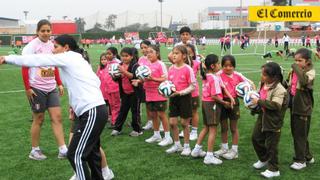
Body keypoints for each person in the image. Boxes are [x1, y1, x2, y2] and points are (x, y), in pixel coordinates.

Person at [1, 34, 108, 180]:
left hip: (92, 111)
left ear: (66, 47)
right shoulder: (78, 59)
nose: (53, 50)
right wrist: (76, 106)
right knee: (91, 153)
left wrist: (7, 58)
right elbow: (95, 82)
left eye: (56, 47)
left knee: (75, 154)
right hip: (94, 110)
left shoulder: (68, 56)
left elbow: (38, 59)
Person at [21, 19, 67, 160]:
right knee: (39, 119)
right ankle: (34, 150)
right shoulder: (31, 46)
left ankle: (63, 149)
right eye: (43, 31)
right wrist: (28, 88)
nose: (46, 33)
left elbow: (54, 65)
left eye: (48, 30)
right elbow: (24, 66)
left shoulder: (53, 46)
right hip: (37, 88)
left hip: (51, 87)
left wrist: (59, 83)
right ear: (37, 31)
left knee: (57, 117)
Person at [251, 62, 288, 178]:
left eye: (264, 75)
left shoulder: (280, 89)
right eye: (262, 74)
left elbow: (276, 105)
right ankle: (264, 159)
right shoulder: (263, 83)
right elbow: (258, 95)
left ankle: (274, 169)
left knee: (271, 145)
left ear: (274, 77)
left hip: (273, 120)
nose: (262, 76)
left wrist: (259, 102)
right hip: (263, 116)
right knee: (256, 138)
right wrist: (252, 103)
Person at [215, 55, 255, 160]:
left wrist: (251, 94)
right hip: (222, 102)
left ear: (234, 66)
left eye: (230, 66)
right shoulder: (218, 75)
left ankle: (234, 150)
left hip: (234, 103)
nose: (228, 68)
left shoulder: (238, 75)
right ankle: (224, 148)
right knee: (223, 127)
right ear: (222, 66)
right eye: (225, 66)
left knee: (233, 128)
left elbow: (250, 83)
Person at [191, 54, 227, 165]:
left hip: (205, 103)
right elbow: (214, 96)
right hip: (212, 105)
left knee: (206, 127)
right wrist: (224, 103)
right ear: (212, 66)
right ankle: (209, 156)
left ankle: (196, 150)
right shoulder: (214, 78)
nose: (220, 65)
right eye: (218, 63)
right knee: (213, 130)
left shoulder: (206, 76)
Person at [135, 45, 173, 146]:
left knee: (161, 115)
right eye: (147, 52)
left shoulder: (160, 64)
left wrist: (153, 79)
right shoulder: (146, 65)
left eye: (151, 52)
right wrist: (139, 80)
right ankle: (156, 135)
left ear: (157, 53)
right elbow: (145, 77)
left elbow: (165, 79)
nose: (148, 54)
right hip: (148, 93)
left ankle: (168, 137)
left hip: (159, 94)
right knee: (153, 115)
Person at [287, 48, 315, 170]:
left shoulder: (310, 72)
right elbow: (290, 87)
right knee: (298, 133)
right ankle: (308, 156)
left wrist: (295, 66)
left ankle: (300, 160)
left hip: (303, 108)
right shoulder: (295, 72)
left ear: (307, 61)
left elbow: (304, 81)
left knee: (300, 134)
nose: (297, 62)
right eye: (295, 60)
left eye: (300, 60)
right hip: (294, 106)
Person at [165, 45, 196, 156]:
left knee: (184, 123)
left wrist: (181, 92)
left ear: (183, 56)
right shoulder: (171, 68)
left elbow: (193, 86)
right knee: (172, 122)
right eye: (173, 53)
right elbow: (168, 84)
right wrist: (165, 91)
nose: (174, 55)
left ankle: (187, 146)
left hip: (184, 98)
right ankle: (177, 145)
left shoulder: (188, 69)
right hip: (173, 98)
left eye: (176, 53)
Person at [68, 107, 114, 180]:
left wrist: (71, 108)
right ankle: (105, 172)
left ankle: (105, 171)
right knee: (91, 145)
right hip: (83, 109)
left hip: (88, 109)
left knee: (75, 152)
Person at [111, 47, 143, 137]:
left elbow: (134, 76)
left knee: (135, 112)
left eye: (126, 56)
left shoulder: (135, 65)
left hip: (134, 93)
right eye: (122, 56)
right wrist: (114, 76)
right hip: (125, 92)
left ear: (132, 56)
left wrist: (124, 71)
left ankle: (137, 130)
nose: (124, 58)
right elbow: (117, 79)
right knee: (123, 111)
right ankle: (117, 128)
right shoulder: (120, 65)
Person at [97, 50, 121, 128]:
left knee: (116, 105)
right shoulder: (105, 66)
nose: (107, 56)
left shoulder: (116, 64)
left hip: (114, 89)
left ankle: (116, 122)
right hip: (108, 90)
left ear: (114, 55)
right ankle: (114, 121)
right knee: (112, 105)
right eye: (106, 54)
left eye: (109, 54)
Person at [138, 40, 154, 131]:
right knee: (147, 104)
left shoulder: (152, 58)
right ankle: (150, 121)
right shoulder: (141, 59)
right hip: (144, 85)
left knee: (154, 106)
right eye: (142, 48)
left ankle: (159, 123)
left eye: (145, 47)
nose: (144, 50)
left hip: (153, 86)